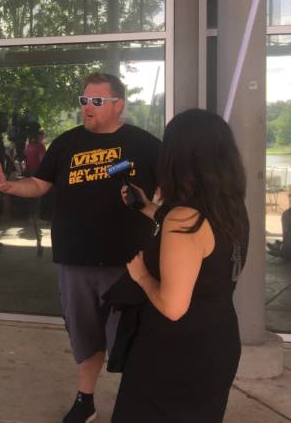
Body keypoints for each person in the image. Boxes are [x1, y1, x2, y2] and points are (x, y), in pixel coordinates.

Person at [0, 72, 160, 423]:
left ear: (118, 105)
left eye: (97, 101)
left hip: (128, 264)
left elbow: (168, 191)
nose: (87, 107)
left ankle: (137, 405)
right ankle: (86, 401)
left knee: (131, 340)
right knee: (84, 338)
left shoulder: (145, 145)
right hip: (76, 262)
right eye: (84, 100)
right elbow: (39, 184)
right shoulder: (67, 143)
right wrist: (10, 187)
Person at [111, 109, 249, 423]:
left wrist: (142, 277)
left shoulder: (184, 219)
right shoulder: (230, 208)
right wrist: (148, 207)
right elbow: (198, 241)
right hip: (219, 340)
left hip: (175, 352)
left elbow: (173, 307)